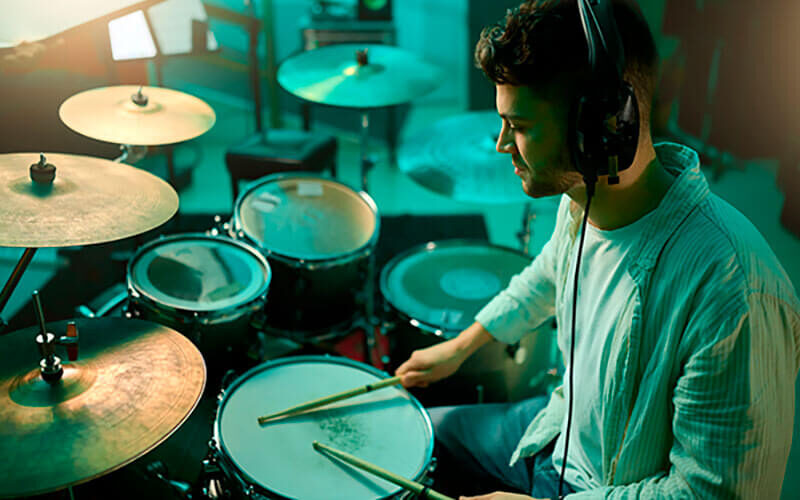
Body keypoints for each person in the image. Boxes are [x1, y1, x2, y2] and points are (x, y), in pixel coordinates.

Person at [395, 0, 800, 498]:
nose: (502, 145)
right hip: (554, 430)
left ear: (603, 126)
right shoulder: (583, 198)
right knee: (408, 439)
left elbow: (711, 494)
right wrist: (460, 348)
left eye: (519, 126)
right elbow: (548, 274)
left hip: (600, 489)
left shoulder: (735, 295)